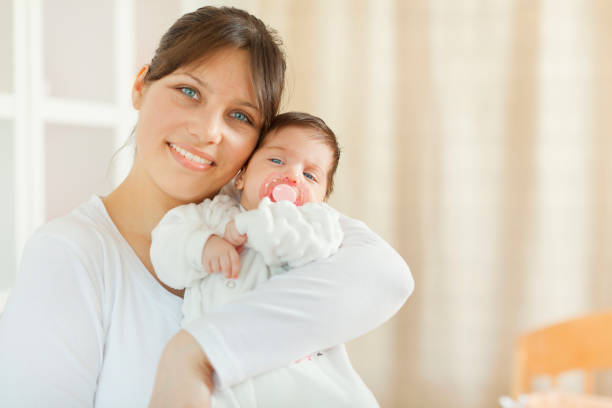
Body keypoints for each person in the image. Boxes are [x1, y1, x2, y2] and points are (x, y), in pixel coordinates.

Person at [0, 6, 413, 408]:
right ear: (140, 87)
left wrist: (194, 352)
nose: (207, 130)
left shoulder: (261, 216)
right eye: (189, 91)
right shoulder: (71, 256)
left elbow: (389, 275)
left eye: (239, 116)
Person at [151, 111, 379, 407]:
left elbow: (300, 245)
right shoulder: (209, 216)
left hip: (301, 375)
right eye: (277, 160)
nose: (293, 175)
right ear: (242, 175)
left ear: (322, 200)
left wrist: (254, 224)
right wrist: (202, 246)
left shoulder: (315, 226)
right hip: (224, 378)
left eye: (310, 175)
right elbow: (165, 248)